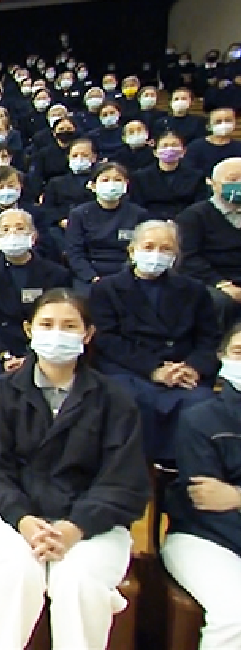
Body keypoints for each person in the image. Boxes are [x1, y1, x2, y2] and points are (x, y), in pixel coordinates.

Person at [0, 289, 149, 650]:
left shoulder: (115, 400)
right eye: (47, 324)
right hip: (14, 514)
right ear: (28, 330)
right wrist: (22, 518)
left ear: (88, 335)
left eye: (69, 326)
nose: (57, 333)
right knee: (16, 574)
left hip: (89, 520)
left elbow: (122, 481)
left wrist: (74, 527)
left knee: (79, 583)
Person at [89, 220, 220, 462]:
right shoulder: (106, 290)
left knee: (202, 403)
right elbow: (107, 340)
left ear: (176, 255)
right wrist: (154, 370)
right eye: (149, 246)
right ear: (132, 250)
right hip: (129, 371)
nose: (156, 254)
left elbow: (208, 339)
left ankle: (182, 473)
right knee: (126, 400)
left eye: (166, 248)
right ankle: (134, 470)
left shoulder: (194, 290)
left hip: (183, 373)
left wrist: (192, 367)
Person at [161, 322, 241, 650]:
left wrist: (236, 496)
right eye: (239, 352)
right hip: (205, 538)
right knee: (235, 614)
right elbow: (206, 501)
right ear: (222, 357)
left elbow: (224, 497)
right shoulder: (200, 418)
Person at [0, 209, 71, 430]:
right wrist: (4, 354)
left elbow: (58, 319)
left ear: (33, 235)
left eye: (20, 228)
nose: (13, 234)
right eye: (5, 229)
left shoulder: (56, 274)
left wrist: (30, 356)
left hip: (43, 350)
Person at [175, 158, 241, 328]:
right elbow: (188, 258)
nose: (239, 184)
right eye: (233, 180)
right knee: (218, 303)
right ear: (213, 184)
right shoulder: (193, 216)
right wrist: (222, 284)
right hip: (212, 281)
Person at [65, 162, 150, 293]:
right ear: (93, 186)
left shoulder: (139, 214)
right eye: (105, 180)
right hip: (90, 272)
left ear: (126, 184)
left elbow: (142, 250)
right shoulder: (79, 214)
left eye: (117, 180)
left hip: (127, 271)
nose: (112, 184)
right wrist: (91, 277)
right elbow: (74, 253)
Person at [131, 132, 207, 221]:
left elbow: (199, 205)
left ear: (183, 151)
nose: (170, 149)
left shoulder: (196, 176)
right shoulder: (140, 177)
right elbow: (137, 206)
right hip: (151, 224)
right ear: (155, 152)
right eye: (165, 145)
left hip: (186, 222)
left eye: (174, 145)